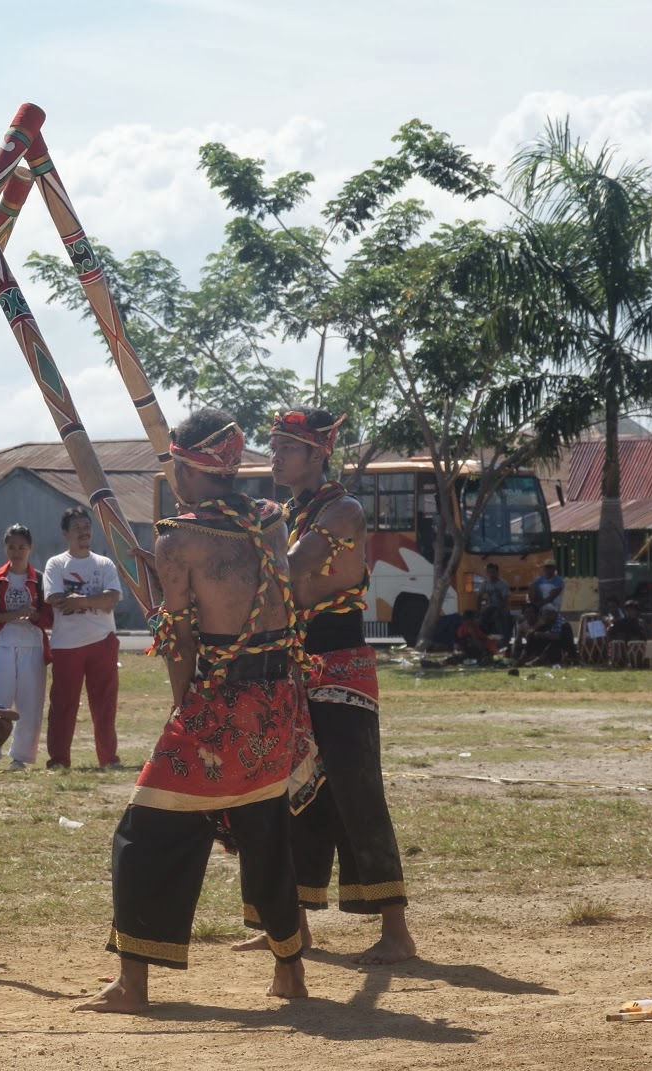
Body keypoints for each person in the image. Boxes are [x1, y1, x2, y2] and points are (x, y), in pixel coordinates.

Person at [77, 411, 316, 1014]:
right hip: (277, 701)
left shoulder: (179, 539)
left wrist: (185, 704)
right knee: (263, 831)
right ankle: (291, 972)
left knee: (144, 833)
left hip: (222, 704)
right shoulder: (268, 521)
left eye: (173, 465)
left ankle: (133, 986)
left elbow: (180, 639)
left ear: (187, 466)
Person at [236, 406, 415, 965]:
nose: (275, 456)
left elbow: (288, 570)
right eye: (273, 445)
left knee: (357, 792)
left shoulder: (342, 510)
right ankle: (292, 926)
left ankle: (396, 931)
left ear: (318, 454)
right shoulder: (285, 512)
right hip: (296, 662)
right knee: (292, 792)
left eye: (287, 447)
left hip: (340, 663)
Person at [42, 507, 123, 771]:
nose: (83, 531)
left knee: (105, 704)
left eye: (86, 526)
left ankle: (108, 759)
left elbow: (113, 598)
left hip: (102, 640)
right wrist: (96, 601)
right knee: (63, 705)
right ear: (66, 533)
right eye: (77, 527)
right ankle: (58, 760)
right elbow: (54, 598)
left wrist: (81, 601)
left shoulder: (104, 563)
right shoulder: (56, 564)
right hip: (67, 644)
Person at [0, 523, 51, 771]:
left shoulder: (40, 579)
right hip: (2, 646)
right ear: (5, 548)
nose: (16, 552)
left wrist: (35, 617)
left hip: (33, 647)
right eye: (11, 547)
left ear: (30, 548)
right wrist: (15, 614)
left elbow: (50, 617)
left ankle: (21, 757)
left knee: (30, 703)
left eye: (21, 547)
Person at [477, 562, 514, 643]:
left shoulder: (503, 583)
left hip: (502, 607)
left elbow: (505, 600)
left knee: (504, 617)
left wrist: (497, 611)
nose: (491, 574)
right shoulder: (485, 583)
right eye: (489, 572)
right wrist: (478, 610)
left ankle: (505, 639)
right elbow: (479, 596)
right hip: (490, 607)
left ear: (497, 572)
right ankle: (484, 639)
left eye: (493, 572)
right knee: (480, 618)